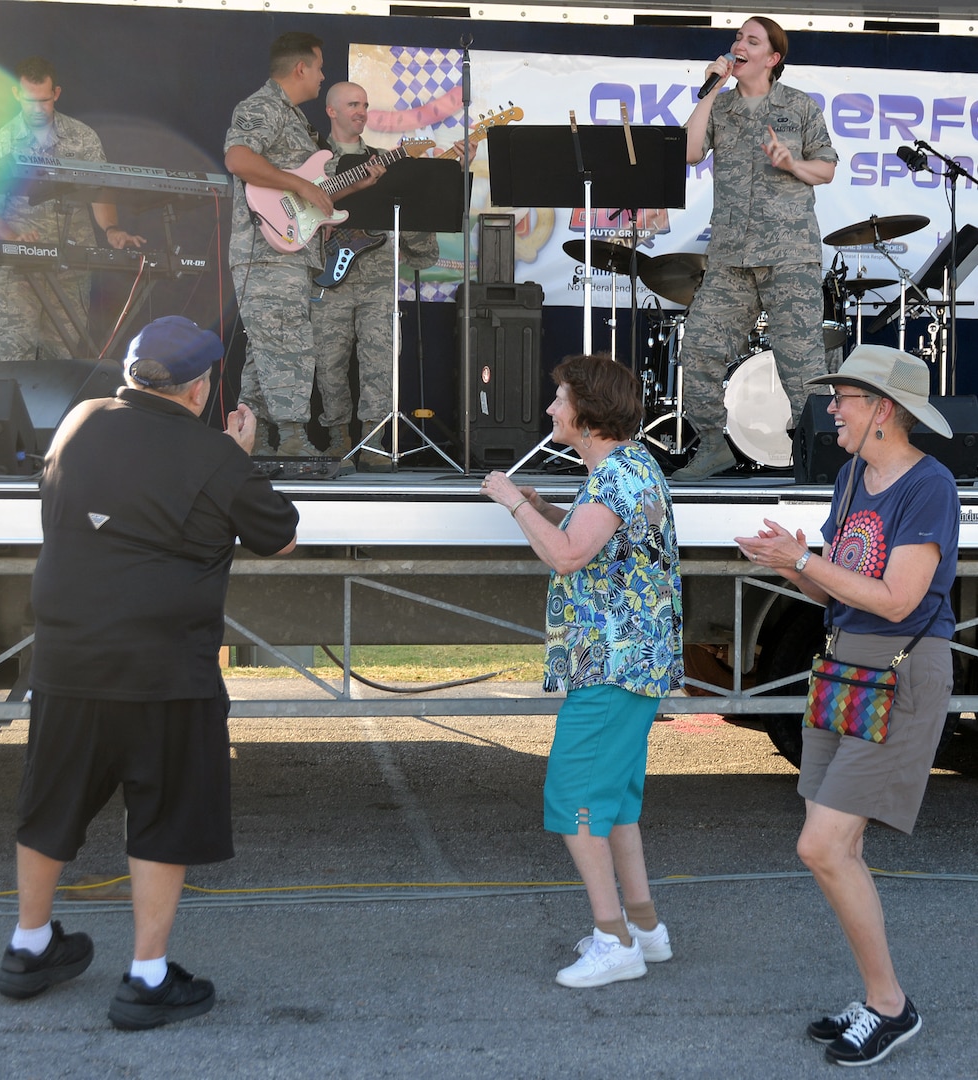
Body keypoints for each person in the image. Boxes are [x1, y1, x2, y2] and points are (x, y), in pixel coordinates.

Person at [0, 316, 299, 1029]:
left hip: (67, 656)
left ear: (133, 375)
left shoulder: (77, 420)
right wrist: (239, 456)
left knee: (51, 802)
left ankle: (28, 946)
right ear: (200, 390)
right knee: (160, 817)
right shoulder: (213, 453)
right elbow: (280, 536)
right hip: (165, 668)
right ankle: (147, 978)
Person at [734, 344, 957, 1066]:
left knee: (821, 846)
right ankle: (877, 1000)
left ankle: (891, 1006)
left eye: (846, 398)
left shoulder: (930, 486)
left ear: (884, 410)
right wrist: (792, 561)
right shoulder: (855, 475)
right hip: (846, 669)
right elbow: (835, 591)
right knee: (842, 846)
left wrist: (804, 560)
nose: (831, 409)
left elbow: (897, 600)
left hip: (901, 675)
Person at [481, 354, 683, 988]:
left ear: (589, 414)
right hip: (634, 664)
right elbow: (598, 541)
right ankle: (645, 930)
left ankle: (613, 940)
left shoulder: (613, 477)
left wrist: (515, 503)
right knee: (616, 804)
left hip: (611, 668)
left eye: (560, 399)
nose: (551, 410)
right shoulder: (634, 467)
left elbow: (568, 556)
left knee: (573, 802)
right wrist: (543, 505)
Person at [671, 16, 837, 481]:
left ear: (772, 58)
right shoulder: (720, 108)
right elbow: (688, 151)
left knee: (802, 366)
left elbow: (826, 169)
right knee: (698, 349)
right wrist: (710, 89)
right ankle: (712, 445)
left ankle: (819, 458)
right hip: (730, 258)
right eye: (737, 38)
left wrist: (791, 161)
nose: (738, 45)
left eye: (751, 40)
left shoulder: (798, 106)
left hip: (789, 255)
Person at [224, 35, 383, 458]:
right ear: (301, 69)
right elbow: (238, 159)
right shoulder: (263, 106)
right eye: (319, 67)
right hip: (265, 252)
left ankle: (251, 439)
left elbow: (307, 198)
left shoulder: (295, 119)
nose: (322, 75)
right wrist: (298, 184)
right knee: (287, 342)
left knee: (265, 351)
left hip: (289, 251)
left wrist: (355, 185)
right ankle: (292, 441)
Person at [311, 81, 441, 473]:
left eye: (365, 104)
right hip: (326, 278)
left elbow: (420, 237)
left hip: (379, 281)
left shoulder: (387, 162)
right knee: (328, 364)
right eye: (353, 104)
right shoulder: (311, 160)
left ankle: (374, 441)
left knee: (381, 363)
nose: (361, 111)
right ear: (331, 110)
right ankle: (338, 442)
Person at [0, 55, 146, 361]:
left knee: (62, 354)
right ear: (16, 95)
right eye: (29, 100)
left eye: (44, 100)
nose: (37, 109)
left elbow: (99, 189)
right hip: (17, 269)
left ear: (57, 93)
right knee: (13, 352)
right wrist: (13, 236)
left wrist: (111, 229)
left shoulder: (82, 136)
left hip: (71, 264)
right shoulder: (3, 141)